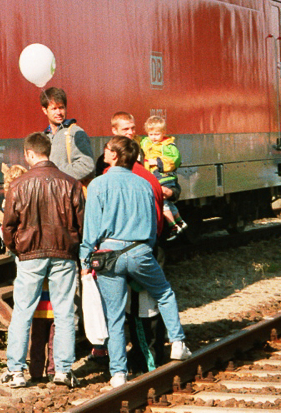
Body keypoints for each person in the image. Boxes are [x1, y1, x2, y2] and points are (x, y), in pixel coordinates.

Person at [80, 135, 191, 388]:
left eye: (108, 149)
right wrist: (144, 251)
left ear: (116, 155)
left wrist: (86, 259)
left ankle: (118, 373)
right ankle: (178, 343)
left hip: (107, 254)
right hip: (140, 250)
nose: (104, 152)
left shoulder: (98, 184)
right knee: (163, 293)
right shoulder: (144, 185)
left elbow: (91, 229)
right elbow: (153, 227)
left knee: (115, 315)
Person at [0, 132, 84, 389]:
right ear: (49, 151)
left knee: (22, 313)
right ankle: (63, 370)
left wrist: (18, 249)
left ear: (29, 154)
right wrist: (72, 245)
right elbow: (81, 224)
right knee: (64, 313)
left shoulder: (18, 184)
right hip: (63, 254)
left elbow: (8, 226)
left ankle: (16, 371)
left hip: (30, 255)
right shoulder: (71, 183)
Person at [140, 116, 187, 235]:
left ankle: (173, 226)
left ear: (163, 133)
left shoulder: (168, 146)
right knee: (169, 203)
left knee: (163, 203)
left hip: (165, 177)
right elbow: (139, 141)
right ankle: (180, 221)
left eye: (156, 134)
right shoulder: (146, 142)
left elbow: (175, 160)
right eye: (150, 134)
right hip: (155, 177)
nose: (153, 137)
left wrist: (158, 162)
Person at [40, 87, 95, 184]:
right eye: (54, 109)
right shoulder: (44, 137)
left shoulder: (76, 133)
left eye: (61, 107)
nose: (59, 112)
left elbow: (87, 167)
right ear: (45, 110)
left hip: (69, 195)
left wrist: (54, 172)